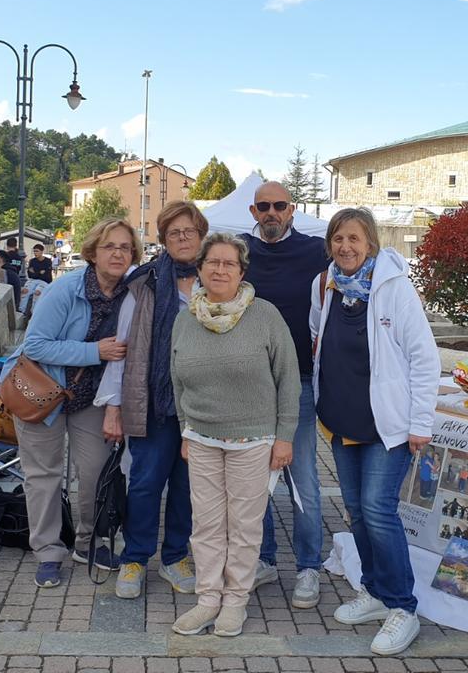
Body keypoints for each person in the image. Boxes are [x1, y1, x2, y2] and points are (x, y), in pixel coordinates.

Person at [310, 208, 440, 655]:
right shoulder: (323, 285)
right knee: (355, 511)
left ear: (370, 243)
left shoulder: (394, 288)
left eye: (354, 238)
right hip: (343, 421)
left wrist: (421, 423)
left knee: (378, 510)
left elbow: (424, 359)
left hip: (389, 425)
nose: (345, 247)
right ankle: (375, 591)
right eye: (338, 239)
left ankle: (403, 606)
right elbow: (317, 336)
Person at [168, 232, 300, 638]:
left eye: (229, 263)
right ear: (201, 268)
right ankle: (208, 599)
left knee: (243, 526)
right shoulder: (186, 317)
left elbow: (288, 378)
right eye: (213, 262)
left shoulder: (265, 315)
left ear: (242, 271)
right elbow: (177, 380)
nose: (220, 269)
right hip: (202, 436)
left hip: (254, 438)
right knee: (205, 525)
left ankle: (235, 601)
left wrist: (285, 436)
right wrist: (184, 431)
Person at [4, 218, 136, 588]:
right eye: (110, 246)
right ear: (93, 252)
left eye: (125, 247)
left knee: (96, 471)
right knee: (43, 476)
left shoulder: (130, 293)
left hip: (90, 397)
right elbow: (35, 345)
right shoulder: (66, 290)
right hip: (42, 393)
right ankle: (47, 551)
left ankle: (87, 542)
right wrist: (96, 351)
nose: (118, 253)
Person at [97, 202, 207, 599]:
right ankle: (135, 558)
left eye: (189, 232)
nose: (182, 239)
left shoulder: (214, 280)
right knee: (144, 483)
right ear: (163, 239)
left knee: (187, 485)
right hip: (153, 402)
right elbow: (122, 348)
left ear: (201, 237)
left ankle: (176, 556)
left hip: (200, 406)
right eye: (174, 233)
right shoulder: (142, 284)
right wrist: (113, 406)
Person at [239, 181, 329, 607]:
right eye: (263, 207)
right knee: (257, 480)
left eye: (279, 205)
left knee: (303, 479)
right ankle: (264, 558)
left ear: (291, 210)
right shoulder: (239, 251)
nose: (271, 212)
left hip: (302, 382)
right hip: (252, 384)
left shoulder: (315, 251)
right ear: (253, 212)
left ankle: (309, 566)